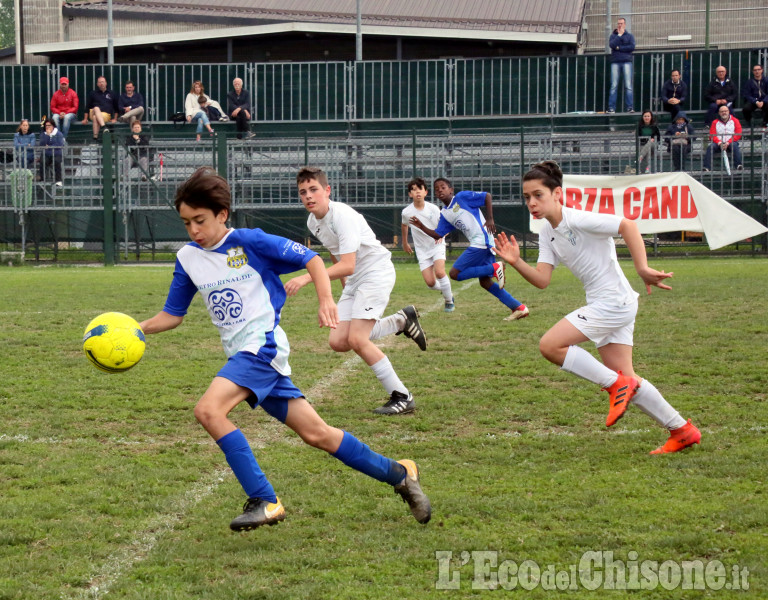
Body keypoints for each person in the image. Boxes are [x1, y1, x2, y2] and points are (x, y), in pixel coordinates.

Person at [138, 167, 431, 531]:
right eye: (186, 223)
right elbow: (172, 314)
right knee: (318, 434)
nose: (194, 231)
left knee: (209, 411)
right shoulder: (187, 258)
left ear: (222, 215)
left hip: (262, 347)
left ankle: (265, 499)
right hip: (245, 356)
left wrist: (326, 299)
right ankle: (401, 474)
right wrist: (137, 329)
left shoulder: (251, 241)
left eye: (200, 220)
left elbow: (312, 260)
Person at [493, 161, 701, 455]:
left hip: (614, 302)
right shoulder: (546, 233)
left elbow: (627, 225)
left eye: (538, 195)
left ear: (558, 194)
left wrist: (641, 267)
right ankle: (682, 430)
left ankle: (616, 386)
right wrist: (516, 262)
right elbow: (542, 280)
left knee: (550, 345)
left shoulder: (577, 219)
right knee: (627, 375)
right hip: (608, 303)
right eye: (527, 197)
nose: (531, 203)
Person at [286, 166, 428, 416]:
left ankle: (403, 396)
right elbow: (336, 254)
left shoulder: (342, 216)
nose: (308, 196)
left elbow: (348, 263)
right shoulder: (313, 221)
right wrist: (346, 290)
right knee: (338, 341)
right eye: (302, 192)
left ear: (327, 190)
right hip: (355, 280)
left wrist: (307, 278)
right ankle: (401, 321)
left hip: (375, 272)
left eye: (313, 190)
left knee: (357, 339)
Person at [408, 177, 528, 322]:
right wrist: (421, 226)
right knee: (485, 283)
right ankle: (518, 308)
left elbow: (487, 196)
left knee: (454, 273)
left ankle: (494, 268)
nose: (440, 190)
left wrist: (490, 219)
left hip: (482, 241)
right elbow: (438, 234)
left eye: (443, 187)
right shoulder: (445, 213)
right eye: (437, 188)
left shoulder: (461, 197)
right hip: (480, 243)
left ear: (451, 190)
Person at [400, 177, 455, 312]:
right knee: (430, 283)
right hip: (421, 249)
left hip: (437, 244)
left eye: (420, 189)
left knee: (440, 272)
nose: (417, 192)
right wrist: (405, 242)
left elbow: (444, 224)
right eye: (413, 190)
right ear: (410, 194)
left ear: (426, 192)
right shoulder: (407, 212)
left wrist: (443, 235)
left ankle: (449, 301)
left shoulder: (433, 209)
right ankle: (446, 290)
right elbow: (404, 225)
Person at [607, 17, 635, 113]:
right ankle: (611, 108)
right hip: (615, 62)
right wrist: (619, 35)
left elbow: (632, 47)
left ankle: (629, 107)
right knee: (614, 85)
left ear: (625, 24)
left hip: (627, 61)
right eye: (618, 23)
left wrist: (619, 48)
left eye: (622, 23)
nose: (620, 25)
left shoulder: (630, 36)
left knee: (628, 85)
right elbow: (612, 45)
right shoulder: (613, 36)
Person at [703, 105, 743, 172]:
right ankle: (706, 167)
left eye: (725, 111)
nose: (724, 113)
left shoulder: (735, 121)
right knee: (710, 147)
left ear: (729, 112)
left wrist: (728, 142)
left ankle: (738, 165)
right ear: (719, 113)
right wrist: (719, 143)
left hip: (731, 142)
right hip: (718, 143)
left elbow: (738, 134)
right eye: (722, 111)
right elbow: (712, 135)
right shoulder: (715, 122)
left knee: (734, 145)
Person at [82, 76, 118, 142]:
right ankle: (104, 127)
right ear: (97, 84)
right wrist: (85, 118)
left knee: (96, 117)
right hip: (93, 112)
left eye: (102, 82)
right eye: (99, 82)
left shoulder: (112, 93)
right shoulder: (93, 93)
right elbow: (87, 107)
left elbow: (116, 108)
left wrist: (115, 118)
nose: (101, 84)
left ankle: (95, 138)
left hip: (106, 115)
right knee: (96, 108)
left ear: (106, 83)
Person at [38, 118, 64, 187]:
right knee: (43, 161)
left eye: (49, 125)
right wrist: (47, 136)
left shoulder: (59, 134)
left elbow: (59, 144)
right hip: (46, 153)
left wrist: (48, 146)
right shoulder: (43, 134)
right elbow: (42, 144)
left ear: (53, 126)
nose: (47, 127)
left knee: (57, 161)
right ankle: (42, 179)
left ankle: (58, 180)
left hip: (56, 153)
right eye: (46, 125)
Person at [741, 64, 768, 129]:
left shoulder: (766, 81)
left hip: (764, 101)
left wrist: (763, 101)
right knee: (745, 109)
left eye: (758, 70)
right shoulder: (749, 82)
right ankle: (749, 122)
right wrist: (755, 101)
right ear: (753, 72)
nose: (757, 71)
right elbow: (747, 94)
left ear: (762, 70)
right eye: (755, 70)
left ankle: (765, 123)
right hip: (753, 101)